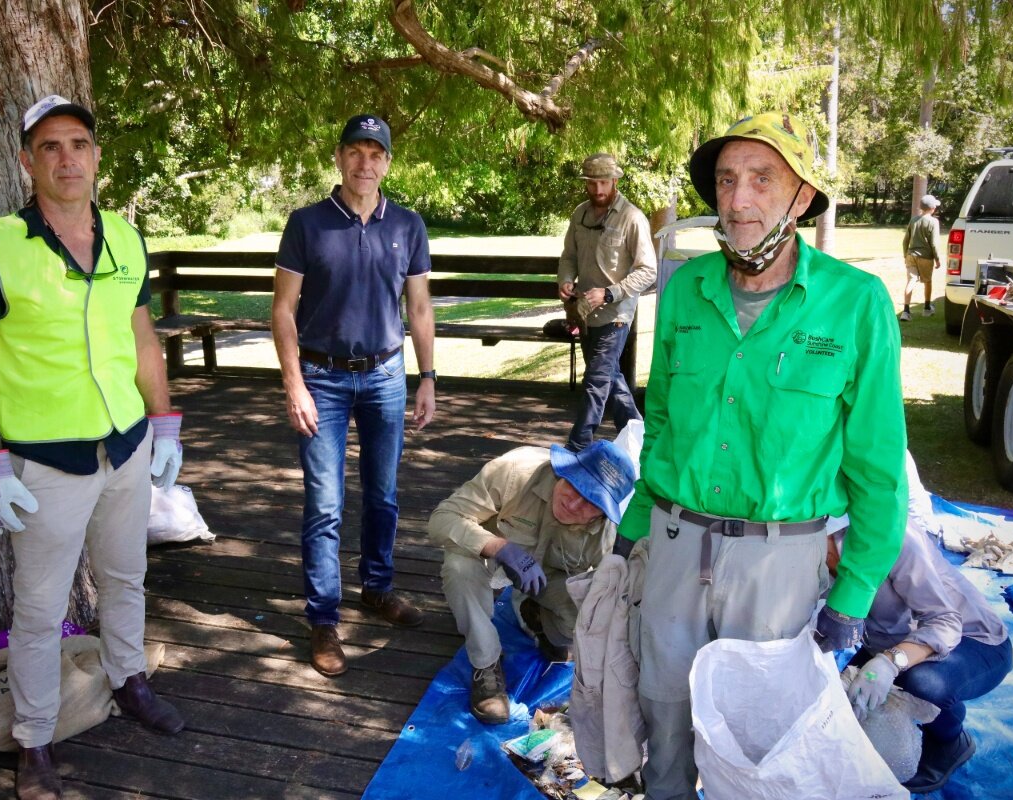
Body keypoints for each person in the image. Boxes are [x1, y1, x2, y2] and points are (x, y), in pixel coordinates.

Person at [615, 112, 907, 799]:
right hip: (675, 543)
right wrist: (632, 530)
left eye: (762, 180)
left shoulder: (856, 303)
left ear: (802, 196)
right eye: (725, 181)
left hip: (780, 564)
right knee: (663, 715)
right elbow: (659, 420)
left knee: (762, 748)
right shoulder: (684, 286)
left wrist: (856, 590)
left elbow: (879, 470)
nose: (738, 200)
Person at [0, 95, 185, 800]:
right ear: (27, 162)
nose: (67, 158)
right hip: (47, 461)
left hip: (126, 446)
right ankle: (33, 739)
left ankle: (129, 679)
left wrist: (164, 421)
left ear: (97, 156)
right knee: (40, 610)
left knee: (125, 577)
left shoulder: (125, 238)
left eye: (78, 143)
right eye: (49, 147)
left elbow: (142, 341)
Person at [272, 114, 436, 679]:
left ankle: (377, 587)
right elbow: (282, 310)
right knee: (324, 504)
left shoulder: (409, 225)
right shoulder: (307, 224)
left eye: (377, 154)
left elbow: (418, 307)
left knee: (383, 494)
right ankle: (323, 619)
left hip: (387, 377)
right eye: (356, 152)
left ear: (388, 162)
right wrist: (294, 382)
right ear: (339, 158)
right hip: (322, 378)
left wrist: (428, 376)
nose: (366, 164)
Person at [428, 441, 635, 723]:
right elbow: (442, 519)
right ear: (565, 471)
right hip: (490, 555)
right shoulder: (515, 470)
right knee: (459, 566)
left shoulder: (604, 534)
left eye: (590, 502)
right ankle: (486, 666)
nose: (574, 503)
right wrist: (499, 547)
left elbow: (607, 601)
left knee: (592, 610)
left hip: (545, 577)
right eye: (574, 486)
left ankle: (535, 614)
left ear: (602, 513)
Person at [834, 515, 1012, 793]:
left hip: (972, 640)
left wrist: (889, 663)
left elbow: (945, 623)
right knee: (840, 697)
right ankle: (937, 706)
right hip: (890, 643)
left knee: (923, 684)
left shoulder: (891, 534)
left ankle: (950, 740)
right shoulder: (803, 549)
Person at [558, 153, 657, 452]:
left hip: (616, 315)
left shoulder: (632, 218)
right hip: (585, 314)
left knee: (596, 381)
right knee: (611, 379)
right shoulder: (580, 214)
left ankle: (577, 447)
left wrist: (609, 292)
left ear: (615, 181)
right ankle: (639, 438)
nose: (598, 190)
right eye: (592, 183)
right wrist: (565, 278)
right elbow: (569, 256)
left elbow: (648, 270)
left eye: (604, 182)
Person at [901, 194, 943, 320]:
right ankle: (927, 308)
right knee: (928, 281)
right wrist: (937, 259)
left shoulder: (914, 220)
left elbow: (905, 240)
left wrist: (905, 255)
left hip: (911, 255)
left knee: (911, 281)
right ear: (932, 208)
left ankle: (906, 311)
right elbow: (934, 243)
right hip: (926, 257)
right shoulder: (933, 222)